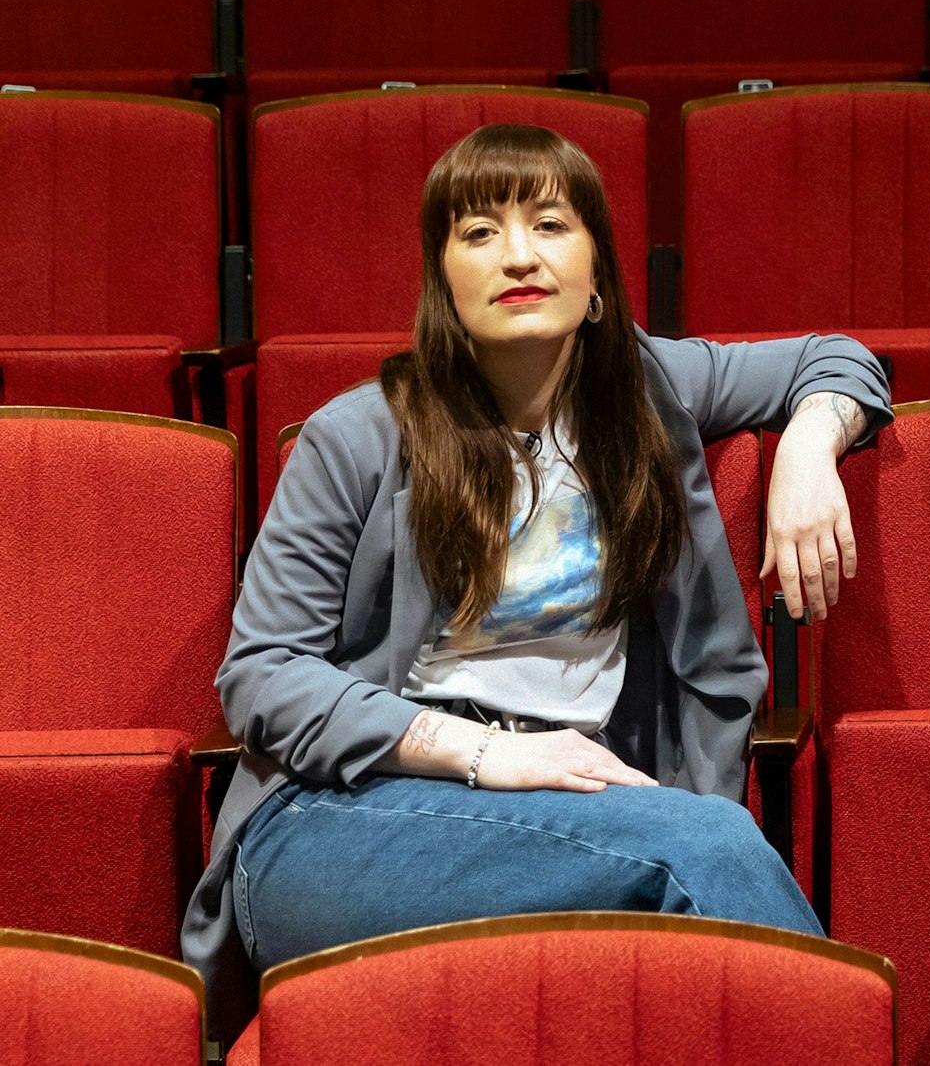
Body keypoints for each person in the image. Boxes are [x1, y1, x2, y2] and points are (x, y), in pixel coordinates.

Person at [182, 125, 891, 1041]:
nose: (518, 254)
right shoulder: (354, 437)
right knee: (705, 851)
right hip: (342, 819)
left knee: (686, 899)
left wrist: (808, 441)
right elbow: (263, 675)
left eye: (550, 224)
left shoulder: (650, 392)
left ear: (598, 276)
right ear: (444, 280)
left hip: (573, 807)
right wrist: (481, 753)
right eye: (479, 232)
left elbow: (840, 361)